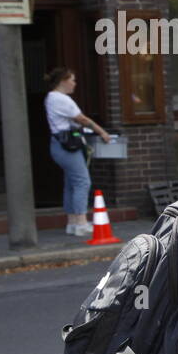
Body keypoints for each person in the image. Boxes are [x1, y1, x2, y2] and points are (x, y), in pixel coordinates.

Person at [44, 68, 112, 236]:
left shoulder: (51, 98)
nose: (75, 83)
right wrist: (102, 132)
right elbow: (81, 119)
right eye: (72, 80)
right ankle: (81, 223)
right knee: (82, 181)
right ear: (63, 81)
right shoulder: (61, 99)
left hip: (58, 144)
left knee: (71, 183)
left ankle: (72, 222)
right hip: (68, 146)